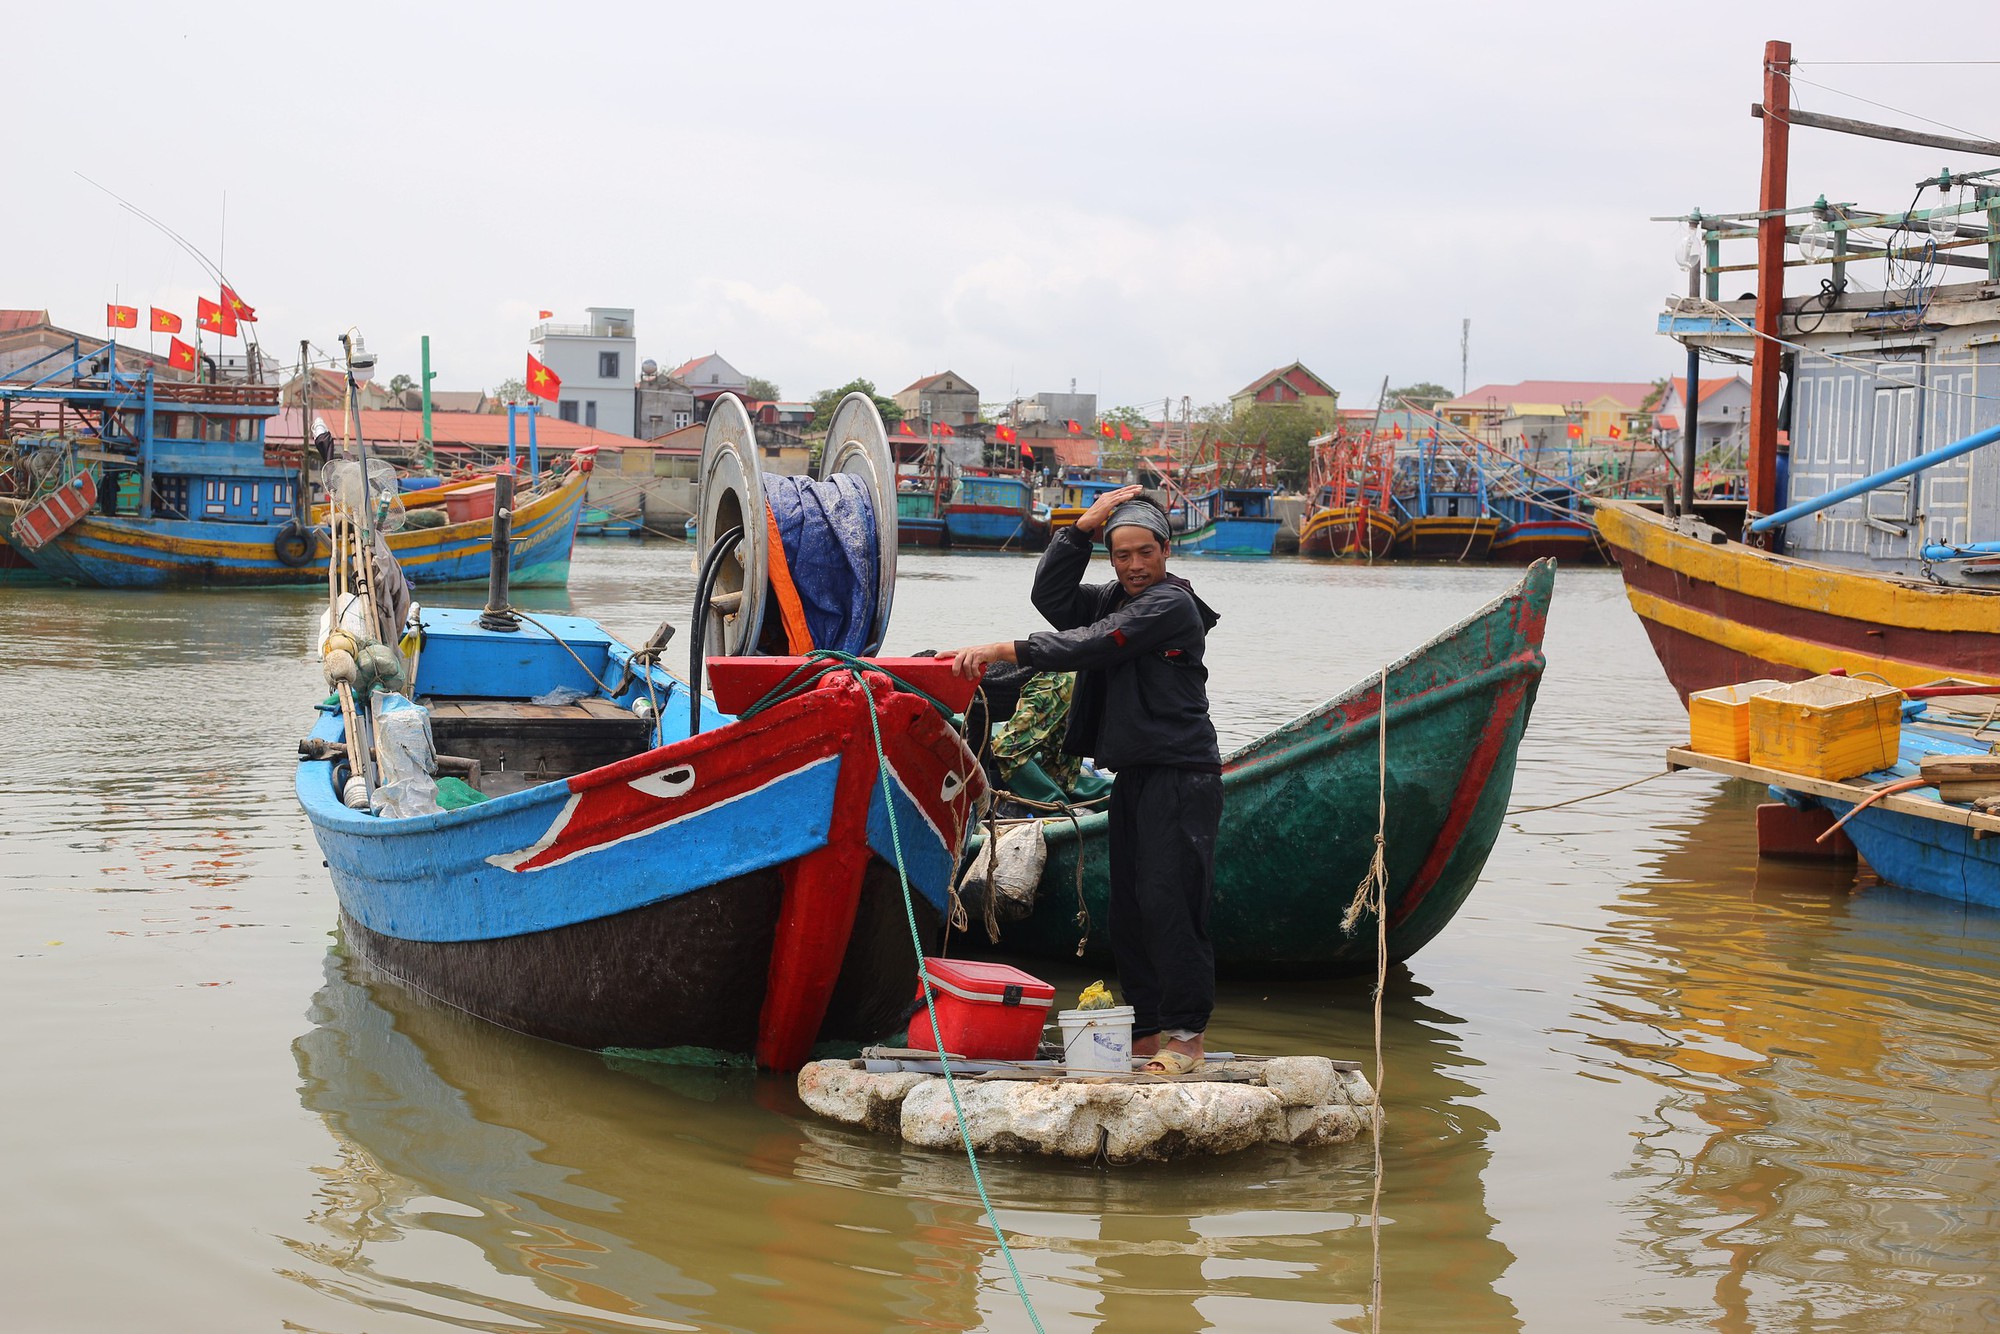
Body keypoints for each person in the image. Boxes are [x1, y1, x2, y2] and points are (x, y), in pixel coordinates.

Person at [950, 484, 1222, 1073]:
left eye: (1144, 553)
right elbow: (1050, 595)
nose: (1133, 566)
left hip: (1182, 774)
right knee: (1129, 908)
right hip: (1135, 775)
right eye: (1121, 555)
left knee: (1170, 900)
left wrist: (1004, 648)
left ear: (1165, 551)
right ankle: (1146, 1032)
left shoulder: (1169, 605)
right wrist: (1080, 528)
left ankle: (1186, 1039)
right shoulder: (1113, 598)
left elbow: (1096, 643)